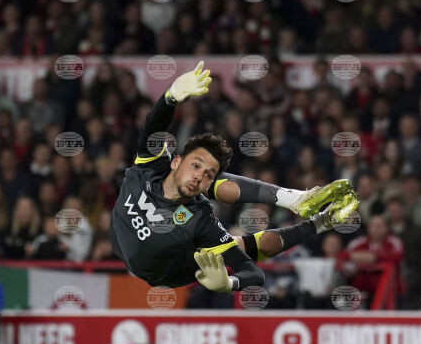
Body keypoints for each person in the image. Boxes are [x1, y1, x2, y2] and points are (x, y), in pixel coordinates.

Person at [111, 61, 358, 292]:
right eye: (194, 165)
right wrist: (171, 96)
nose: (198, 176)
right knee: (233, 234)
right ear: (175, 161)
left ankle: (309, 213)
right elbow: (153, 126)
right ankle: (303, 206)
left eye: (207, 174)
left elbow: (253, 272)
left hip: (166, 271)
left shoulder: (201, 220)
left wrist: (229, 283)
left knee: (236, 247)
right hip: (120, 240)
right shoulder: (152, 165)